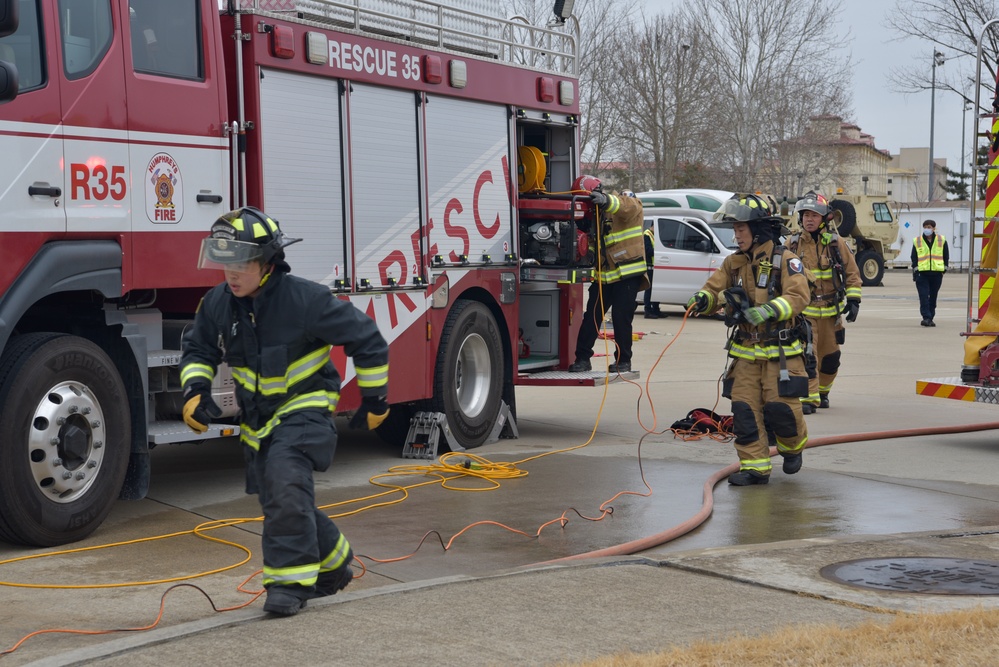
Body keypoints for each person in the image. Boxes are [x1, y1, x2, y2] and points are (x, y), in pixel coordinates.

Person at [180, 207, 390, 617]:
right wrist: (195, 391)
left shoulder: (306, 301)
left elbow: (367, 339)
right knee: (284, 497)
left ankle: (289, 584)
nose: (231, 274)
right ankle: (333, 563)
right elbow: (198, 348)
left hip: (306, 408)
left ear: (268, 262)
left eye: (241, 264)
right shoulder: (219, 304)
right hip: (258, 422)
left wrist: (375, 400)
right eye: (225, 264)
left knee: (285, 485)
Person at [686, 194, 811, 485]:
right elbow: (714, 289)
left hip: (780, 350)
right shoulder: (733, 263)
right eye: (735, 229)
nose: (736, 235)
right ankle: (755, 467)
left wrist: (770, 309)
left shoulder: (785, 260)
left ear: (758, 230)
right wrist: (702, 299)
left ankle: (793, 449)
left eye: (741, 229)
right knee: (744, 410)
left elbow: (798, 296)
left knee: (781, 409)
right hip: (745, 352)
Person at [786, 192, 862, 412]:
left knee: (831, 359)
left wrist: (854, 299)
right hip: (803, 315)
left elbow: (852, 273)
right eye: (806, 215)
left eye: (814, 215)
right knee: (806, 356)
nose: (809, 219)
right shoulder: (791, 244)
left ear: (825, 218)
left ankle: (822, 392)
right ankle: (808, 399)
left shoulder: (837, 244)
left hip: (831, 314)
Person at [568, 177, 649, 374]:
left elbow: (629, 207)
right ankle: (582, 359)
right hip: (604, 276)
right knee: (591, 318)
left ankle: (623, 362)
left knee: (621, 318)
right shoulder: (596, 217)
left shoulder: (623, 203)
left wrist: (607, 201)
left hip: (627, 274)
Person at [911, 219, 949, 327]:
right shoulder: (917, 241)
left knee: (933, 297)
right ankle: (926, 317)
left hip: (936, 274)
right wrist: (916, 271)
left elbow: (946, 256)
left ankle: (931, 317)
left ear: (934, 228)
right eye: (925, 227)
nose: (927, 229)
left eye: (929, 227)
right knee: (923, 297)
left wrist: (944, 270)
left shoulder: (942, 240)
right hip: (922, 274)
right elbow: (914, 257)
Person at [643, 223, 663, 319]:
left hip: (655, 266)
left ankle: (656, 309)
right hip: (649, 266)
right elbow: (648, 250)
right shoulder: (647, 235)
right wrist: (660, 251)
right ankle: (647, 310)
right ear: (653, 226)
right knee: (649, 289)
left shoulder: (654, 235)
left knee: (655, 289)